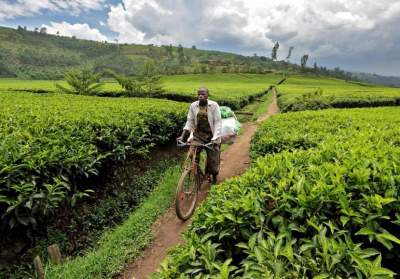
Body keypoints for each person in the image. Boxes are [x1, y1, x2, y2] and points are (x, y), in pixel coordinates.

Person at [177, 87, 222, 184]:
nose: (200, 96)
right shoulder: (193, 106)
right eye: (199, 94)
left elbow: (218, 123)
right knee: (192, 154)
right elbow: (190, 121)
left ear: (207, 95)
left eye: (203, 94)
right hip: (198, 135)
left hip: (211, 136)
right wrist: (182, 135)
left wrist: (214, 139)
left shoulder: (214, 105)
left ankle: (213, 176)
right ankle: (197, 173)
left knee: (213, 161)